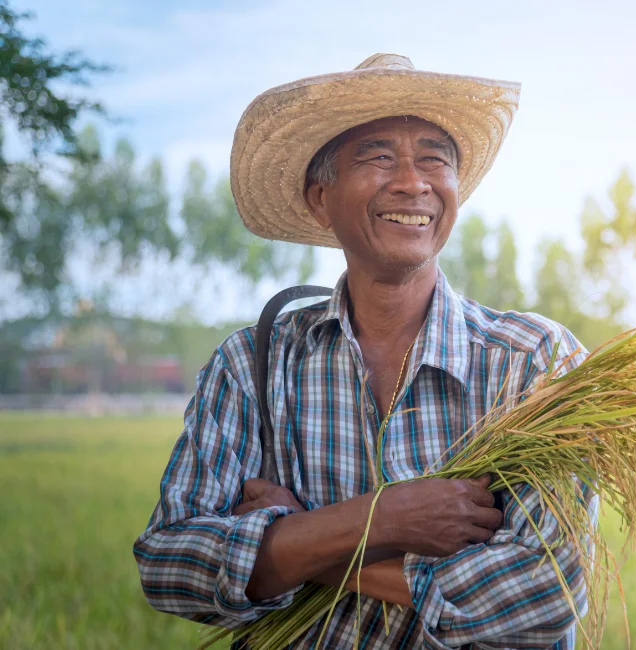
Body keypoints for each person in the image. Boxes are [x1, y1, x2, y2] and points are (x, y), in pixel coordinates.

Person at [134, 53, 590, 649]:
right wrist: (387, 517)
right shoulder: (253, 364)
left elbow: (544, 592)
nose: (412, 180)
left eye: (434, 157)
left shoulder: (533, 363)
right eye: (378, 156)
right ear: (321, 199)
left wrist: (305, 543)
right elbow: (168, 563)